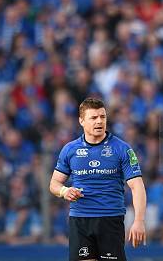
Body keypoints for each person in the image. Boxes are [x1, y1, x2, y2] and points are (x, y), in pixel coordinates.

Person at [49, 97, 147, 261]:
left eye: (102, 117)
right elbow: (54, 184)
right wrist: (64, 191)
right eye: (93, 118)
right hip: (80, 220)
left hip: (110, 219)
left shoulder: (122, 149)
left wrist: (139, 220)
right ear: (81, 121)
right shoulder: (70, 150)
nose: (99, 121)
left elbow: (137, 186)